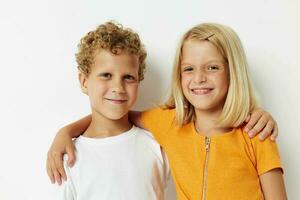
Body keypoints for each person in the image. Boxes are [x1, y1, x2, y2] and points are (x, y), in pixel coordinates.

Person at [47, 23, 283, 199]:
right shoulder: (171, 124)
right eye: (189, 69)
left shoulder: (256, 134)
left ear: (233, 72)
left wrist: (258, 114)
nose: (199, 78)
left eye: (212, 67)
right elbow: (117, 114)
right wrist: (66, 132)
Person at [56, 21, 169, 200]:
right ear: (84, 81)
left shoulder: (157, 144)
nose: (118, 87)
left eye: (129, 77)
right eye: (106, 75)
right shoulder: (68, 157)